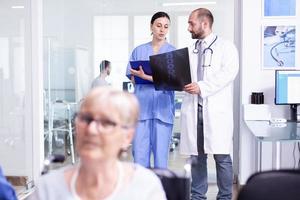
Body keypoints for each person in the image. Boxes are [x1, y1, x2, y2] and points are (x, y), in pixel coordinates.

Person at [29, 87, 167, 200]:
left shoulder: (145, 188)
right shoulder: (48, 190)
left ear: (127, 136)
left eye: (106, 122)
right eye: (86, 118)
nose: (91, 129)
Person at [180, 8, 239, 200]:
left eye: (191, 23)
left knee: (222, 157)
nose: (189, 27)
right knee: (197, 158)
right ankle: (198, 197)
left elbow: (228, 74)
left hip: (216, 112)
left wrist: (202, 87)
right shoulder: (190, 50)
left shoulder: (226, 47)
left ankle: (225, 197)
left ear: (204, 24)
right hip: (193, 110)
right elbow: (183, 78)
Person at [126, 12, 176, 169]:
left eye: (166, 27)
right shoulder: (138, 51)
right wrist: (137, 76)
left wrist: (146, 76)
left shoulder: (173, 52)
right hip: (142, 110)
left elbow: (174, 81)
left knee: (161, 160)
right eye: (158, 25)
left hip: (163, 110)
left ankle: (160, 192)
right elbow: (132, 77)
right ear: (151, 26)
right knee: (139, 157)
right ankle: (141, 192)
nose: (162, 30)